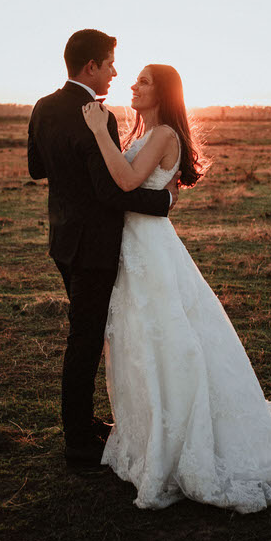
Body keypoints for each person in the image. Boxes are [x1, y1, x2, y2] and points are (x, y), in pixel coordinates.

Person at [80, 64, 271, 513]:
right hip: (133, 249)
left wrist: (97, 131)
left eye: (144, 81)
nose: (133, 84)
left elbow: (126, 183)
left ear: (163, 92)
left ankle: (184, 435)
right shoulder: (138, 135)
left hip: (152, 250)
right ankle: (147, 431)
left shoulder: (165, 133)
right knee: (137, 341)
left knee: (170, 342)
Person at [27, 30, 178, 473]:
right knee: (85, 340)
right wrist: (162, 202)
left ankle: (84, 423)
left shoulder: (42, 107)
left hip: (62, 241)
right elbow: (110, 191)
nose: (116, 71)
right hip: (94, 246)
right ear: (90, 66)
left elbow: (38, 169)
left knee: (86, 333)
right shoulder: (99, 116)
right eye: (110, 63)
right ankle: (77, 441)